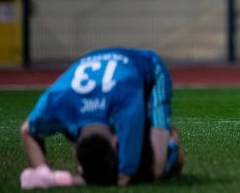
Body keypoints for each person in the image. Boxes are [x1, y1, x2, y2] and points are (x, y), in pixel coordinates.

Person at [19, 48, 183, 187]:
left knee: (156, 168)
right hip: (113, 76)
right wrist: (43, 172)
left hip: (149, 65)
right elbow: (26, 130)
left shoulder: (126, 110)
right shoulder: (57, 102)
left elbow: (123, 179)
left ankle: (171, 142)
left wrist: (55, 179)